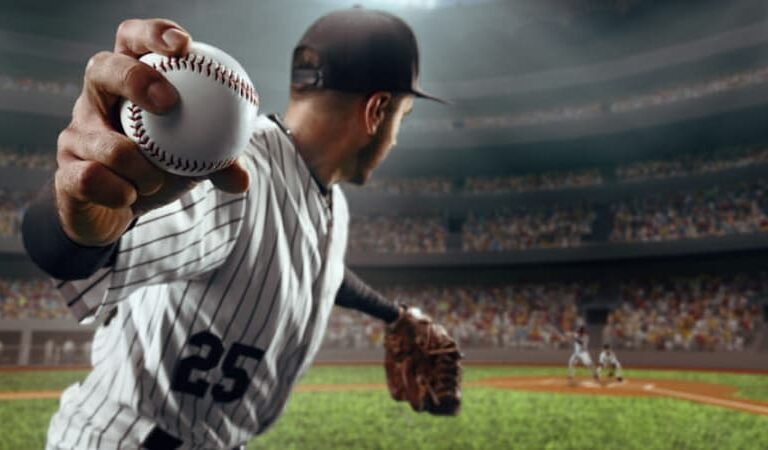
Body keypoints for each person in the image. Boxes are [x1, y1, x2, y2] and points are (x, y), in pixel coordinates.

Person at [22, 8, 454, 449]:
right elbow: (71, 252)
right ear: (377, 110)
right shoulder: (231, 176)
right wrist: (74, 208)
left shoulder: (331, 201)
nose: (397, 136)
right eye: (404, 115)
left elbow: (318, 268)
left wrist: (393, 314)